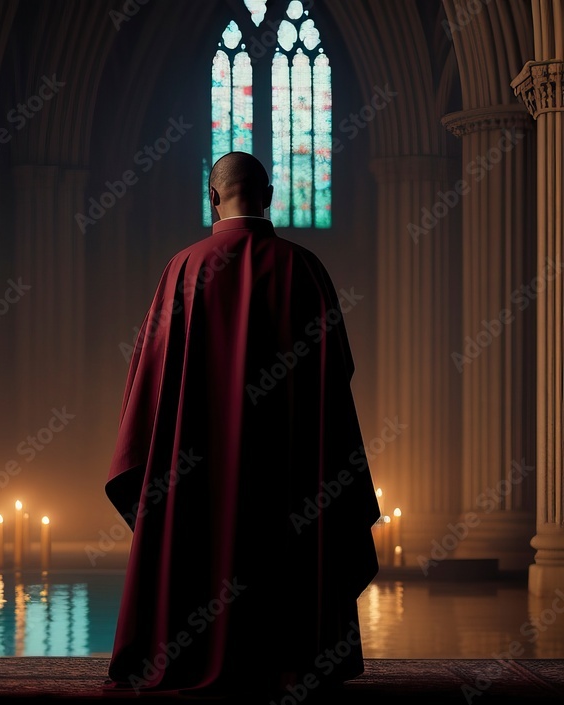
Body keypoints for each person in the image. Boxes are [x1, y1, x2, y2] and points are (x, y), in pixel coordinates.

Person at [103, 152, 380, 698]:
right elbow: (337, 372)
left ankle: (187, 653)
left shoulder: (182, 268)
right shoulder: (305, 269)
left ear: (212, 197)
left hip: (195, 473)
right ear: (270, 195)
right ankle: (293, 659)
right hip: (291, 472)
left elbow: (149, 381)